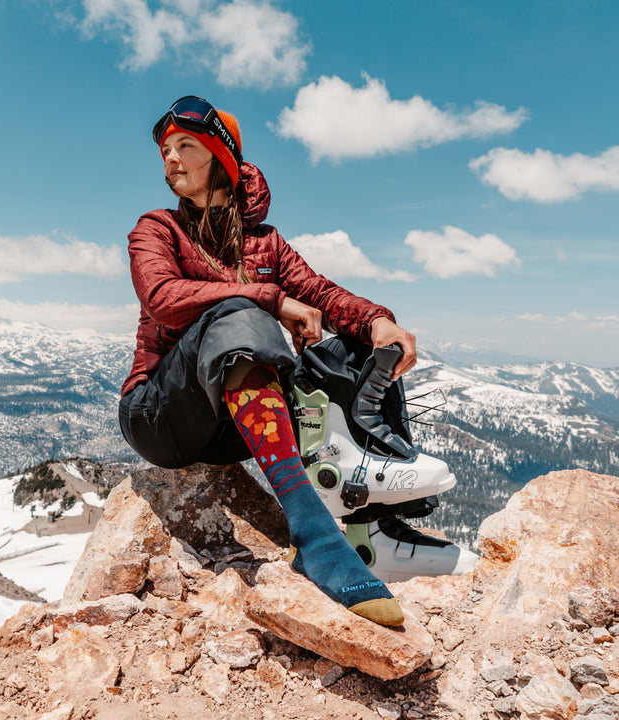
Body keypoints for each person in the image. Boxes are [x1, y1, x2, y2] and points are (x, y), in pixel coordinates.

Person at [119, 95, 418, 627]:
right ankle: (315, 537)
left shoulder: (266, 243)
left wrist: (377, 321)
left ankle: (379, 527)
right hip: (159, 414)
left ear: (221, 158)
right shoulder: (157, 228)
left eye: (185, 146)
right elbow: (161, 297)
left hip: (231, 423)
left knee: (349, 350)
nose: (170, 159)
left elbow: (318, 291)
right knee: (240, 308)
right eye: (166, 149)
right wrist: (270, 299)